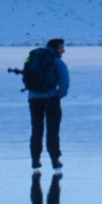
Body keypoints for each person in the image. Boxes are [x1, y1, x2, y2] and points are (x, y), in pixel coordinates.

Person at [26, 37, 69, 170]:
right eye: (61, 47)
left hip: (33, 98)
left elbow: (27, 74)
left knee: (36, 130)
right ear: (56, 48)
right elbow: (65, 82)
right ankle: (55, 160)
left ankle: (35, 160)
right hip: (51, 99)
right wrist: (59, 95)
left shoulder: (33, 57)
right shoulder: (56, 61)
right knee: (53, 131)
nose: (63, 50)